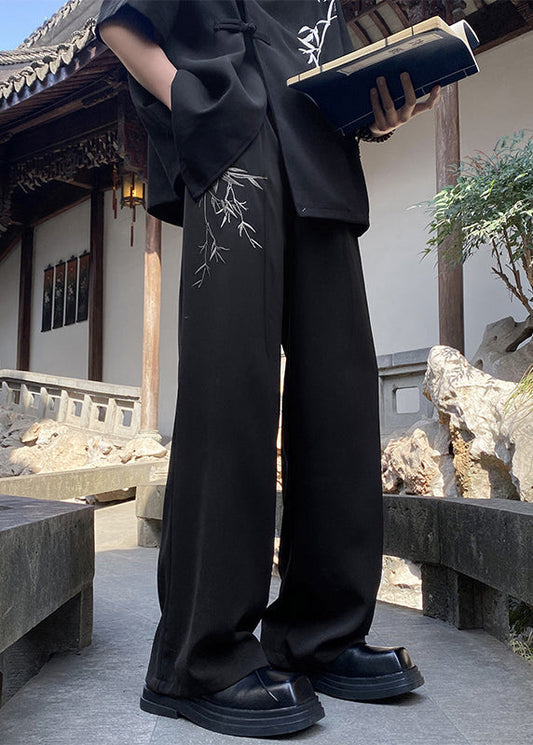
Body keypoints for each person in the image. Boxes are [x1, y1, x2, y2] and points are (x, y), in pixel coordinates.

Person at [96, 0, 440, 737]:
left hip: (319, 153)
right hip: (232, 145)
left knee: (340, 393)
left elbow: (325, 57)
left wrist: (377, 114)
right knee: (232, 390)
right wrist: (193, 100)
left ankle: (320, 634)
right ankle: (199, 658)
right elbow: (120, 19)